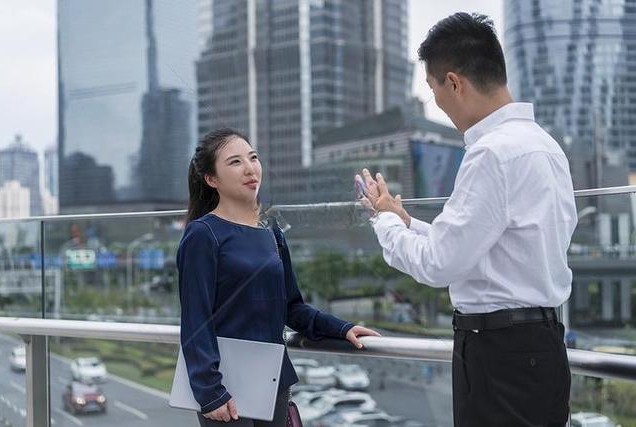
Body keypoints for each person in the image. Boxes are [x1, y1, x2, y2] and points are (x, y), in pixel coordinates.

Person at [356, 12, 577, 427]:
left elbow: (439, 264)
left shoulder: (490, 153)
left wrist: (384, 222)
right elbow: (489, 243)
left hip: (498, 355)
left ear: (454, 82)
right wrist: (404, 220)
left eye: (434, 88)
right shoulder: (545, 146)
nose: (437, 102)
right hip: (543, 348)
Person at [177, 128, 379, 426]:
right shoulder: (203, 235)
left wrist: (341, 328)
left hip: (273, 379)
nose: (250, 168)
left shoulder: (270, 233)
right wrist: (209, 391)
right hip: (224, 387)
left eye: (253, 157)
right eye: (235, 162)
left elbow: (291, 307)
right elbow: (196, 319)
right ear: (212, 179)